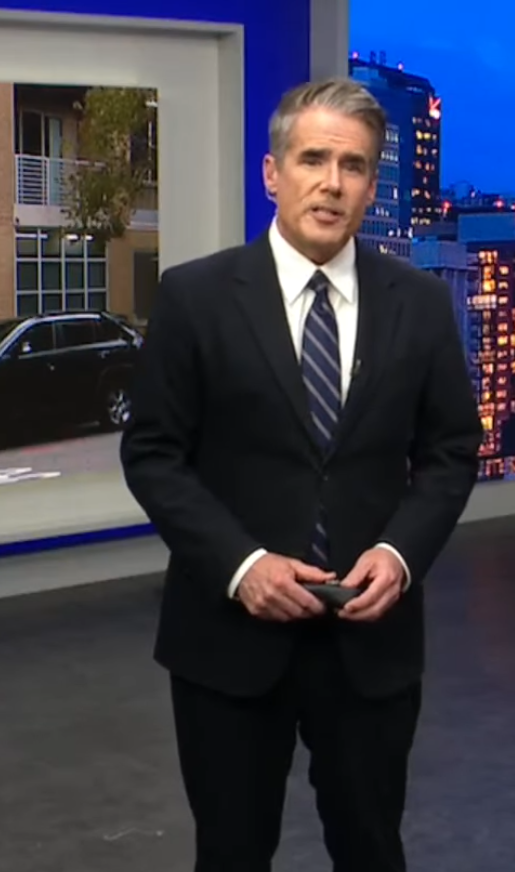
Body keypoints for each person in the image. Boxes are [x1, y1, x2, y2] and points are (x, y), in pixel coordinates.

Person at [119, 76, 483, 872]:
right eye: (313, 159)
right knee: (231, 853)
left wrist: (399, 555)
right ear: (272, 173)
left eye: (353, 165)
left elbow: (452, 449)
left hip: (369, 640)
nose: (332, 182)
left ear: (372, 184)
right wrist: (242, 564)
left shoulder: (420, 303)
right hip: (229, 639)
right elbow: (152, 452)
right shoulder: (196, 296)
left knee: (372, 849)